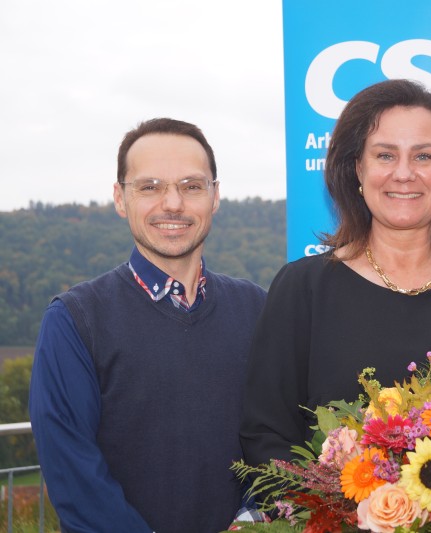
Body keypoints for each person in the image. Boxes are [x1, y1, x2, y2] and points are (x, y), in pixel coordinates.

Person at [241, 79, 431, 466]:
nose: (404, 173)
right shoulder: (303, 289)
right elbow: (265, 436)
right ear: (357, 168)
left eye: (423, 156)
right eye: (385, 155)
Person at [28, 118, 267, 533]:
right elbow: (74, 478)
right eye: (150, 186)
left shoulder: (258, 309)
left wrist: (254, 522)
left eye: (192, 186)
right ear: (121, 199)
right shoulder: (74, 319)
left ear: (215, 197)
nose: (172, 203)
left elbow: (278, 440)